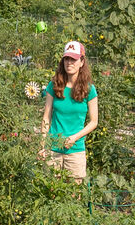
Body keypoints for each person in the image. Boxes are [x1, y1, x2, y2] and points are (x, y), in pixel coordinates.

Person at [41, 40, 98, 182]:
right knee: (50, 191)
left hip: (75, 151)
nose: (69, 62)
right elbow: (46, 118)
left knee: (74, 194)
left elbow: (94, 122)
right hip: (52, 149)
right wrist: (43, 146)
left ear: (82, 62)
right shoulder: (54, 85)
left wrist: (74, 137)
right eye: (67, 58)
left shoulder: (89, 90)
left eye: (73, 59)